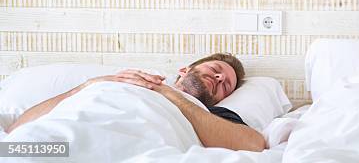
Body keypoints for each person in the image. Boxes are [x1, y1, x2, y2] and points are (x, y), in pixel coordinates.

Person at [6, 52, 266, 152]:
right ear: (185, 70)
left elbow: (253, 144)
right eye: (216, 69)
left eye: (226, 85)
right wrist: (89, 85)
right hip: (64, 135)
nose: (220, 78)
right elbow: (16, 128)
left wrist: (169, 94)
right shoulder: (111, 82)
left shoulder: (213, 114)